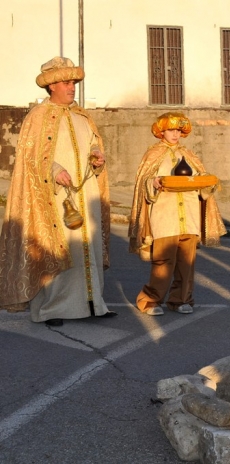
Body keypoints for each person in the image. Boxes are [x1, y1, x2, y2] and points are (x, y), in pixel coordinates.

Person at [0, 57, 114, 326]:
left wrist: (97, 156)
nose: (72, 87)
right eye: (66, 82)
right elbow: (31, 157)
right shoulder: (38, 117)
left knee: (89, 246)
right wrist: (53, 170)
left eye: (73, 82)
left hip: (85, 193)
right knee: (59, 250)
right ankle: (53, 308)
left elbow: (93, 147)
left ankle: (92, 303)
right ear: (52, 86)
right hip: (54, 197)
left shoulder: (83, 116)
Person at [129, 112, 227, 316]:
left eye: (178, 131)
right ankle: (150, 300)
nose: (175, 135)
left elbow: (200, 185)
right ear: (161, 131)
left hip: (189, 217)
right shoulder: (153, 155)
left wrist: (208, 183)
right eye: (171, 130)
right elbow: (143, 184)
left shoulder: (189, 155)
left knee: (186, 263)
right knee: (163, 262)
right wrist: (153, 183)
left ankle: (181, 299)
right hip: (165, 218)